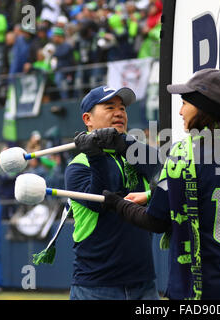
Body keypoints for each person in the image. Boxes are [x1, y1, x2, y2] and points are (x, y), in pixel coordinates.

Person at [100, 68, 220, 300]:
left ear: (202, 107)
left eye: (185, 103)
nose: (180, 111)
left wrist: (116, 203)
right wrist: (149, 194)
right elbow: (208, 189)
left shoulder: (185, 154)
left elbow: (155, 221)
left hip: (195, 290)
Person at [65, 85, 160, 300]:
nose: (119, 113)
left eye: (123, 108)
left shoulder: (133, 154)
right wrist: (96, 155)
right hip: (97, 287)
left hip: (144, 285)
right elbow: (100, 201)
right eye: (109, 107)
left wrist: (124, 143)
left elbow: (164, 171)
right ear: (87, 119)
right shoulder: (78, 166)